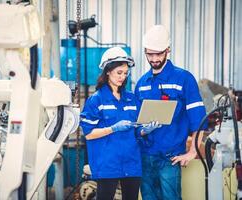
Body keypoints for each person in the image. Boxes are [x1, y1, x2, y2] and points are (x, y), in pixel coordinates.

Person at [135, 25, 207, 200]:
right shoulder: (142, 83)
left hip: (170, 157)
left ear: (168, 50)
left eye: (158, 54)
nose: (154, 59)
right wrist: (143, 130)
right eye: (149, 54)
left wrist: (193, 152)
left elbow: (198, 118)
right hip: (145, 157)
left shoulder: (183, 79)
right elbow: (136, 122)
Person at [80, 47, 157, 200]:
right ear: (108, 71)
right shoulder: (97, 100)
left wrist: (144, 130)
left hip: (131, 161)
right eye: (119, 73)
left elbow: (136, 130)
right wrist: (113, 128)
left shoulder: (131, 98)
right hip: (108, 163)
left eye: (126, 73)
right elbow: (88, 134)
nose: (123, 77)